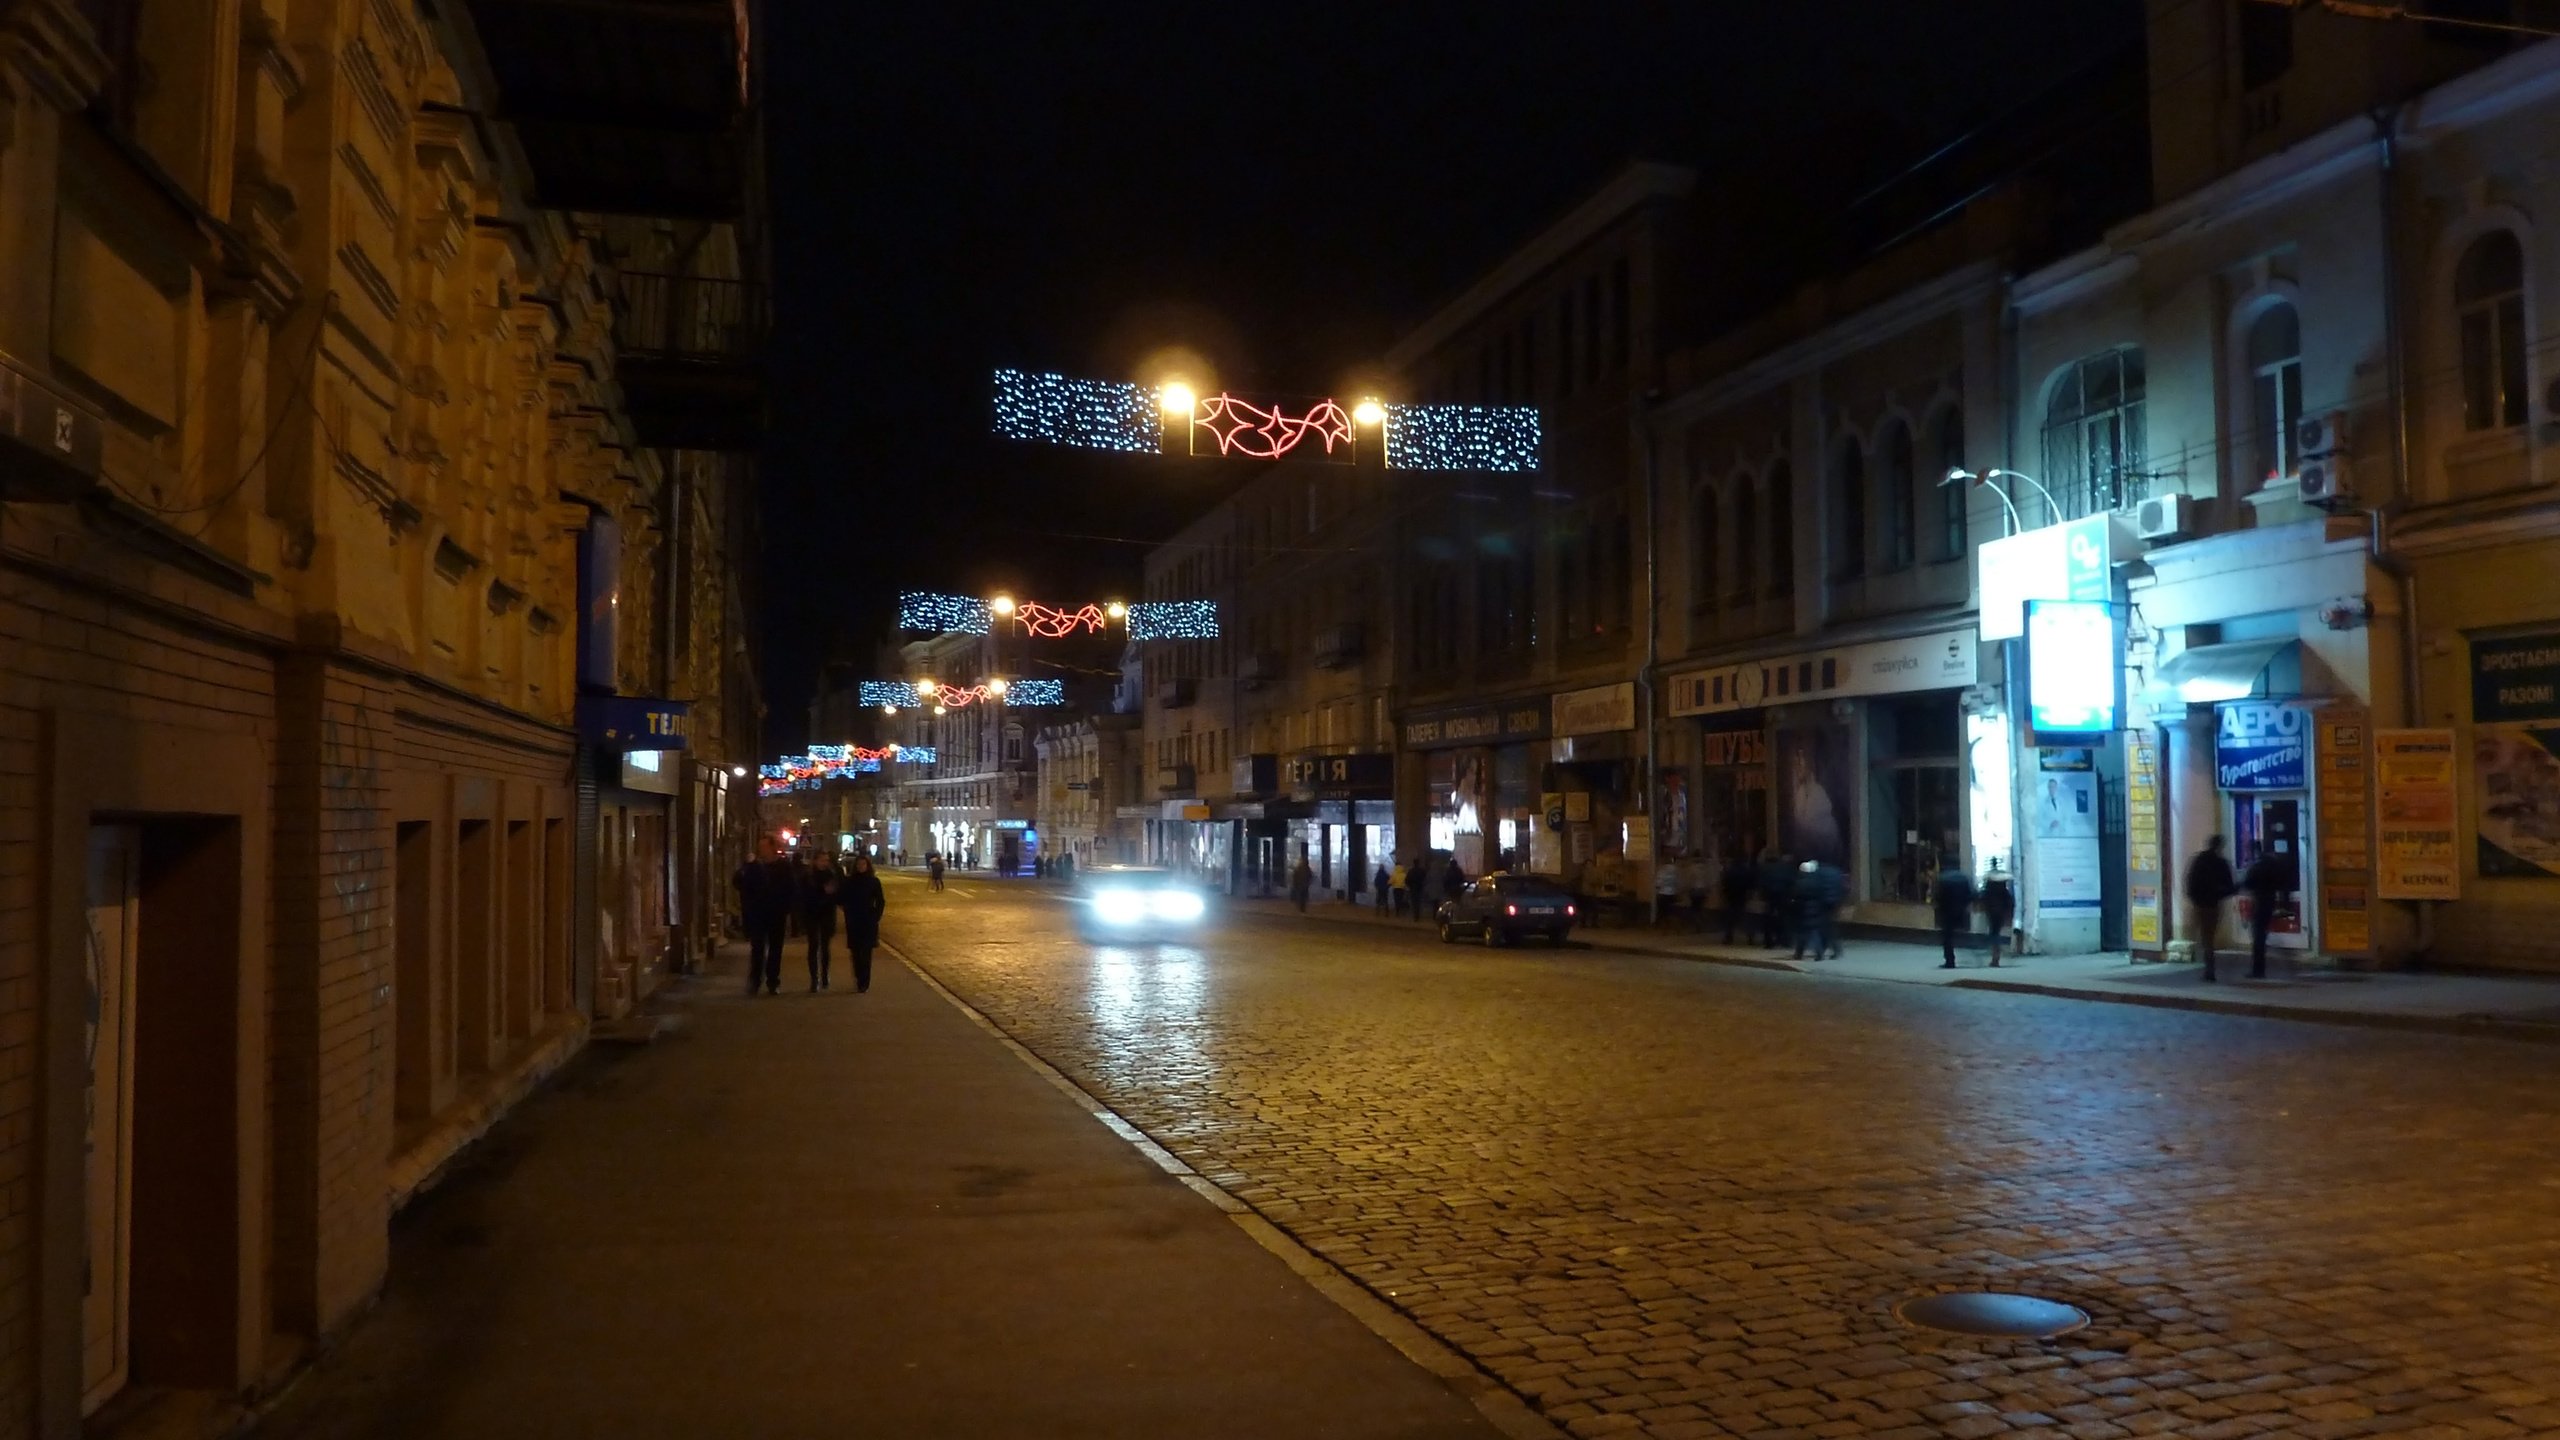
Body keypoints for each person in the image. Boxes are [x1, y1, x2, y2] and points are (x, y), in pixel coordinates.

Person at [732, 837, 793, 996]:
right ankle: (755, 981)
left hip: (776, 914)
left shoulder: (783, 867)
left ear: (773, 848)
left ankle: (773, 981)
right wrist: (747, 866)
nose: (762, 850)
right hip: (757, 914)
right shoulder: (754, 866)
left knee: (775, 949)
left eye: (764, 847)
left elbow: (791, 889)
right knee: (757, 948)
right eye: (760, 847)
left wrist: (787, 910)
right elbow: (738, 882)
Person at [2183, 834, 2238, 982]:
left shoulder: (2199, 860)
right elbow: (2230, 886)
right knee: (2209, 937)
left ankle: (2207, 968)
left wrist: (2193, 898)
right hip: (2213, 905)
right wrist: (2220, 894)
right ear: (2220, 846)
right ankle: (2209, 968)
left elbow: (2190, 880)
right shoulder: (2221, 863)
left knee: (2203, 937)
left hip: (2199, 904)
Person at [837, 852, 886, 993]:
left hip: (868, 921)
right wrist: (845, 909)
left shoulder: (873, 881)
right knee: (856, 953)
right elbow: (841, 898)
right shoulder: (850, 881)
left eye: (863, 864)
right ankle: (859, 977)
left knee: (866, 953)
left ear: (867, 866)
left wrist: (876, 916)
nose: (861, 867)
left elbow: (880, 901)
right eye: (858, 864)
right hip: (853, 921)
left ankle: (864, 981)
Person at [2242, 845, 2291, 980]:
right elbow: (2283, 882)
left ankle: (2258, 970)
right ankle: (2260, 968)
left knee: (2258, 937)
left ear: (2254, 851)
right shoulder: (2273, 864)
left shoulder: (2257, 866)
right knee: (2262, 934)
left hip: (2259, 902)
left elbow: (2248, 883)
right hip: (2270, 901)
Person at [800, 854, 841, 991]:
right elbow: (803, 895)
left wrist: (832, 894)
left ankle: (824, 975)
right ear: (815, 860)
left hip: (827, 915)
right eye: (822, 860)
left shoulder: (831, 875)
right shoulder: (809, 876)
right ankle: (814, 979)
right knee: (813, 947)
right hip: (812, 914)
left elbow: (837, 895)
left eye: (826, 860)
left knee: (825, 947)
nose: (824, 863)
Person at [1793, 858, 1844, 961]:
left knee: (1806, 931)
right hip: (1828, 905)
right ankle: (1829, 950)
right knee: (1825, 928)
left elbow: (1797, 895)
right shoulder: (1835, 871)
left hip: (1813, 908)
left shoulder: (1814, 877)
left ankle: (1803, 953)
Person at [1931, 863, 1978, 970]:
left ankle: (1950, 960)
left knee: (1947, 937)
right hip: (1960, 910)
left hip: (1946, 911)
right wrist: (1966, 903)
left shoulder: (1943, 879)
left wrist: (1938, 906)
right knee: (1960, 934)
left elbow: (1938, 896)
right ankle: (1971, 953)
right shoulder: (1964, 878)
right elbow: (1972, 894)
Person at [1755, 849, 1794, 950]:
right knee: (1784, 918)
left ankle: (1769, 941)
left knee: (1768, 919)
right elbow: (1790, 880)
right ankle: (1785, 940)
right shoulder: (1785, 867)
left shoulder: (1764, 868)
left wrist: (1762, 894)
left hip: (1769, 896)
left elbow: (1761, 882)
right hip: (1783, 895)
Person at [1979, 858, 2015, 964]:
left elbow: (1983, 897)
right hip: (2001, 912)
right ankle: (1996, 952)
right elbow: (2009, 901)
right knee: (1996, 931)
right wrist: (2009, 912)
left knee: (1993, 932)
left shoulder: (1989, 888)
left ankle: (1995, 954)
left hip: (1991, 911)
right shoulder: (2003, 890)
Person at [1719, 850, 1752, 944]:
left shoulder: (1730, 871)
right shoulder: (1746, 871)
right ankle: (1749, 937)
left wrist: (1724, 894)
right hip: (1742, 895)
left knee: (1730, 917)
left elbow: (1725, 883)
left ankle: (1729, 937)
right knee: (1744, 916)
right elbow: (1749, 883)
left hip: (1731, 896)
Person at [1682, 850, 1711, 930]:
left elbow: (1689, 880)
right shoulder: (1705, 868)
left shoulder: (1692, 868)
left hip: (1694, 891)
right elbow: (1708, 880)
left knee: (1694, 909)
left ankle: (1698, 925)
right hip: (1703, 891)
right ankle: (1703, 922)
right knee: (1700, 908)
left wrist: (1686, 889)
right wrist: (1707, 890)